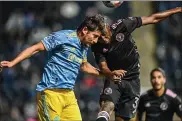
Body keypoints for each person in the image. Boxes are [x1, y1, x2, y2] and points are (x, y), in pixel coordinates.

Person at [0, 14, 119, 121]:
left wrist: (108, 74)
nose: (95, 41)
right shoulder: (63, 37)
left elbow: (84, 66)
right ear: (85, 30)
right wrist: (12, 63)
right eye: (95, 36)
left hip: (69, 96)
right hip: (50, 94)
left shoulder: (84, 46)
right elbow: (35, 48)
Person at [91, 7, 182, 121]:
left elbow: (153, 18)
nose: (103, 39)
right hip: (115, 78)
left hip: (133, 79)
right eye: (99, 37)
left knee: (121, 118)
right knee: (107, 105)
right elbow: (103, 66)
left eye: (104, 35)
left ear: (108, 27)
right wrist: (110, 74)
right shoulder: (96, 44)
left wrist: (177, 10)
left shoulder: (123, 25)